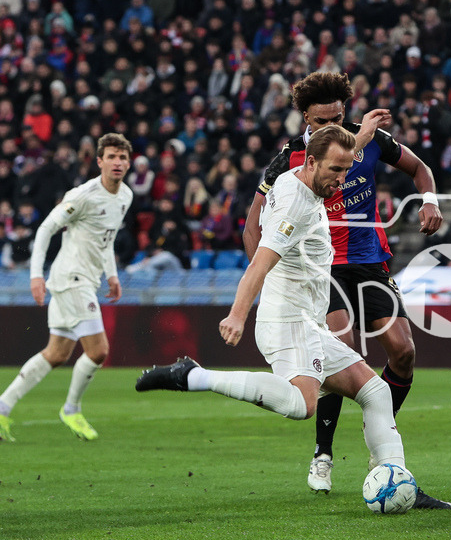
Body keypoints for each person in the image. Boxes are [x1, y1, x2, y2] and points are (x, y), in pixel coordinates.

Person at [136, 126, 413, 489]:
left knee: (375, 392)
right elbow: (259, 263)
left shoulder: (295, 179)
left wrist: (359, 139)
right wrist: (237, 313)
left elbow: (330, 160)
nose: (342, 180)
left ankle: (396, 479)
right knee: (303, 405)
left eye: (346, 171)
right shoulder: (296, 205)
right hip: (288, 321)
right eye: (336, 171)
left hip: (309, 323)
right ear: (311, 162)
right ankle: (193, 376)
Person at [240, 72, 451, 509]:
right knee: (343, 347)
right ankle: (323, 453)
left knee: (403, 351)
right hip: (321, 269)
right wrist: (267, 276)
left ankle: (382, 438)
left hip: (370, 259)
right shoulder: (290, 158)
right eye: (320, 121)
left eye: (337, 117)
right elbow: (252, 223)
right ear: (305, 118)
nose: (330, 127)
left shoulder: (369, 138)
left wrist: (430, 200)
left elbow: (419, 169)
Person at [0, 133, 134, 442]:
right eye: (111, 156)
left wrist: (112, 274)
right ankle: (71, 409)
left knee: (57, 353)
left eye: (122, 157)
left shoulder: (125, 196)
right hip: (72, 279)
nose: (117, 162)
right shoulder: (84, 194)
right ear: (99, 161)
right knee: (99, 351)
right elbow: (46, 227)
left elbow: (107, 238)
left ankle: (3, 407)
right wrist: (35, 275)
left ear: (129, 163)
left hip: (84, 279)